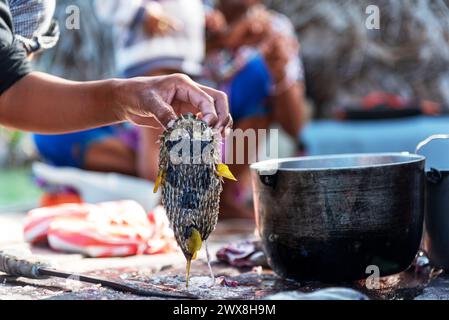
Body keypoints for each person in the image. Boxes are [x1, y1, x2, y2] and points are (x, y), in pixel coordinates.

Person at [0, 0, 231, 139]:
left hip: (183, 51)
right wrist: (127, 98)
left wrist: (128, 99)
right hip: (146, 52)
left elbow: (9, 86)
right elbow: (9, 89)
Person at [33, 0, 209, 179]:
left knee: (171, 143)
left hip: (180, 59)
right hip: (149, 57)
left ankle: (171, 189)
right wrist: (141, 12)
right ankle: (165, 195)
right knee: (160, 144)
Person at [204, 0, 306, 218]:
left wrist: (279, 73)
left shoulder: (274, 28)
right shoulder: (195, 16)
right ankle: (205, 194)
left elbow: (294, 126)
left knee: (260, 75)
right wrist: (224, 38)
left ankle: (222, 196)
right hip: (191, 140)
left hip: (234, 145)